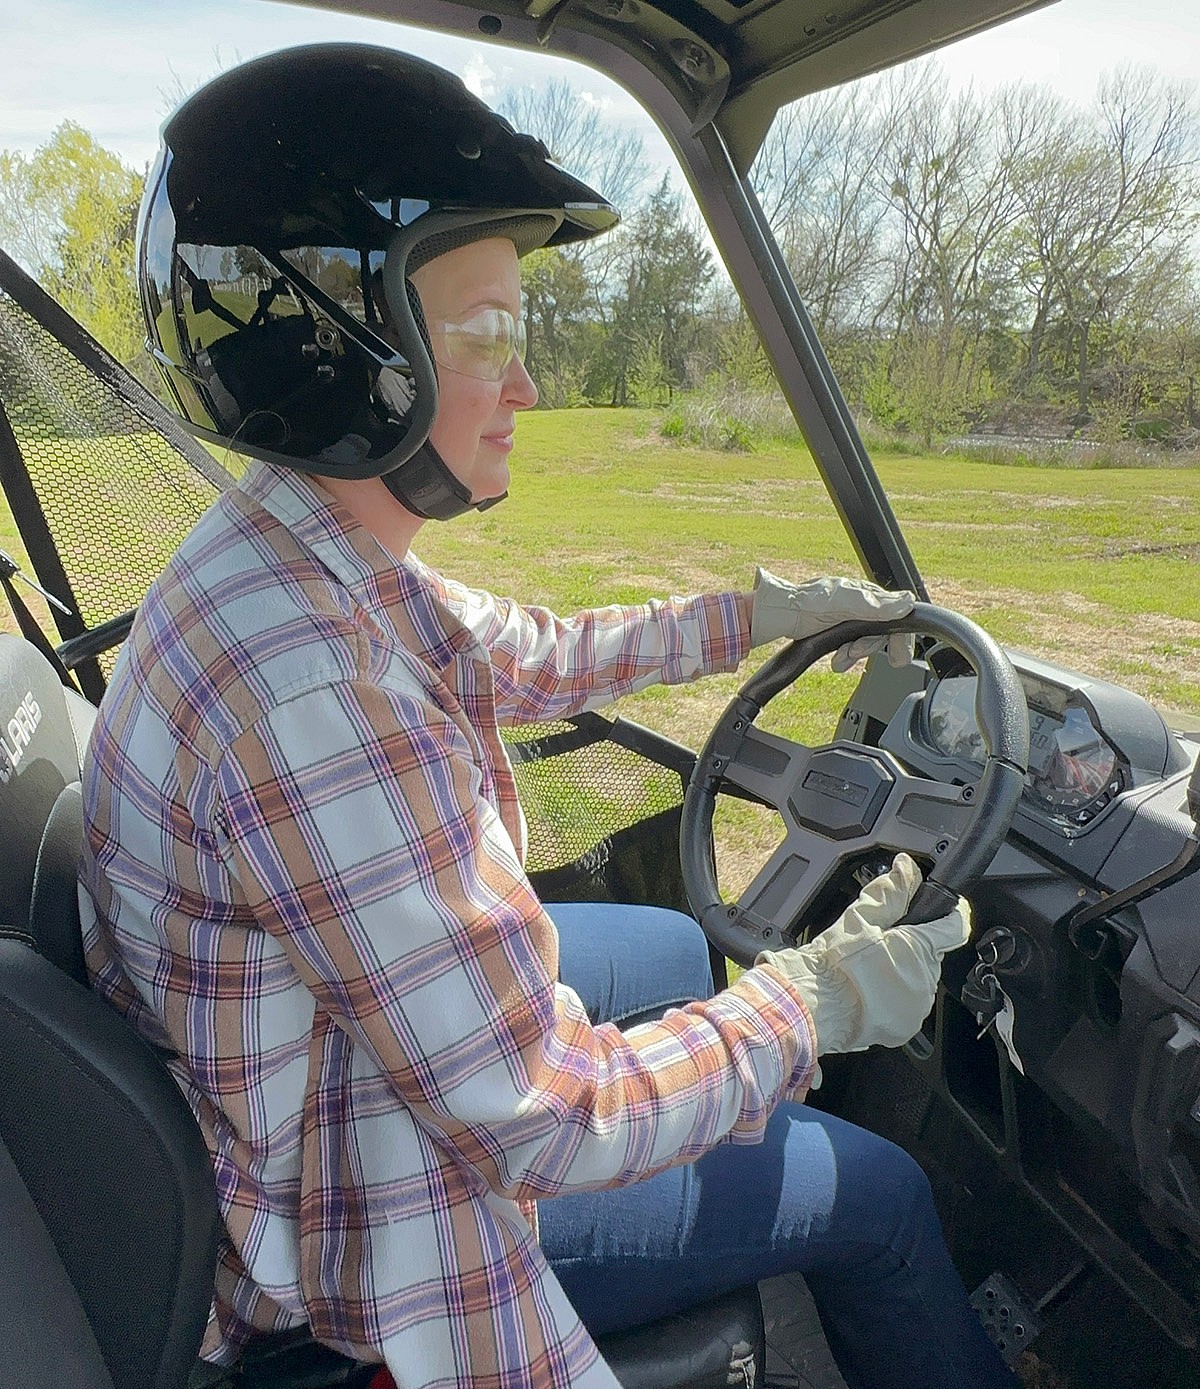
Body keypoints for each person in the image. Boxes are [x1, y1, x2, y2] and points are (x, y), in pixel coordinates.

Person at [79, 44, 1017, 1389]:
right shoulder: (311, 691)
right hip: (362, 1238)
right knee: (876, 1192)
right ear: (357, 348)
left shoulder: (299, 546)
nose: (528, 386)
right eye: (492, 336)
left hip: (324, 1081)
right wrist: (806, 1007)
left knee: (660, 944)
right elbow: (546, 1117)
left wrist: (754, 617)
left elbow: (525, 653)